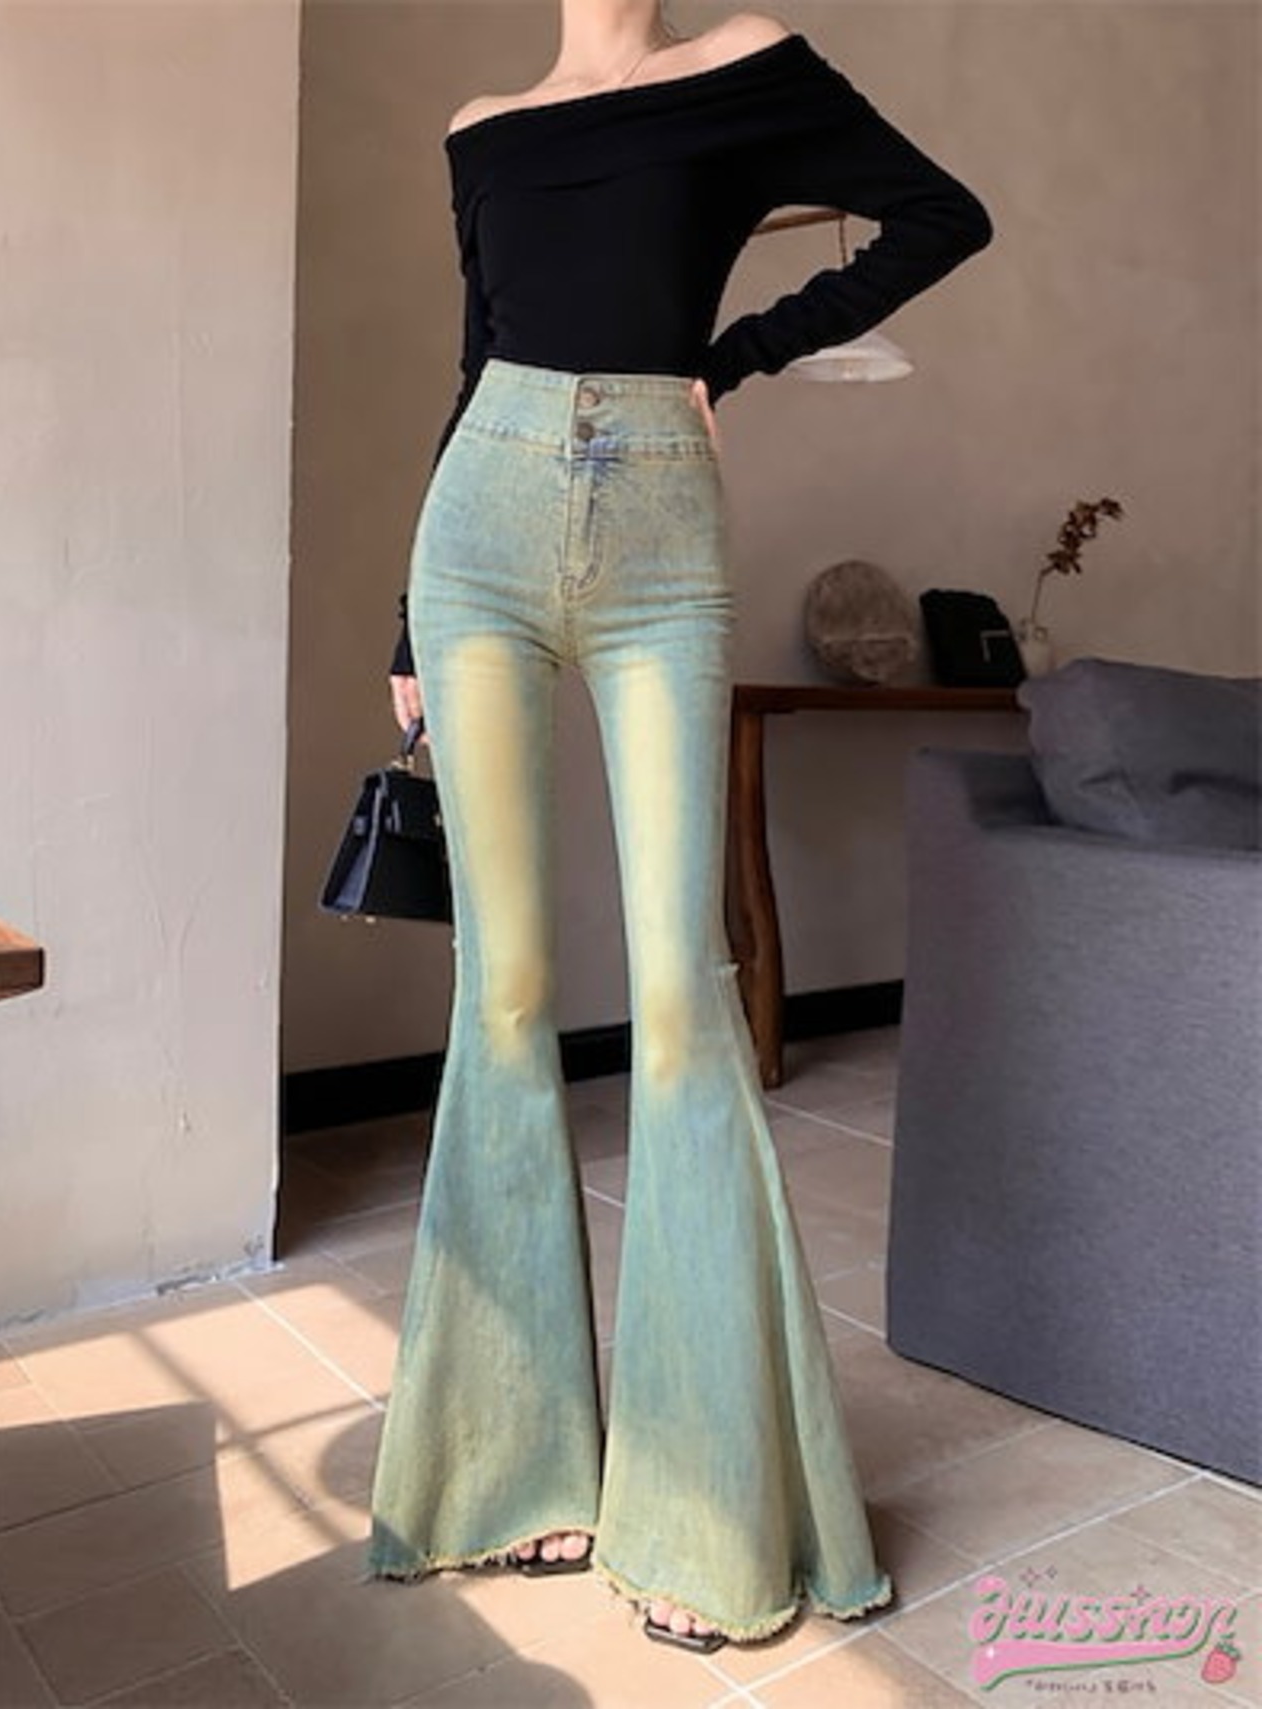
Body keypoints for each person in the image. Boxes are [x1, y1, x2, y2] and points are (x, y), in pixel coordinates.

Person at [370, 3, 993, 1653]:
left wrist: (738, 354)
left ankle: (709, 1509)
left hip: (659, 527)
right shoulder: (482, 126)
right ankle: (507, 1471)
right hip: (477, 531)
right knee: (503, 992)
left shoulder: (748, 65)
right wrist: (403, 626)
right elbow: (474, 360)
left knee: (677, 995)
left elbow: (944, 215)